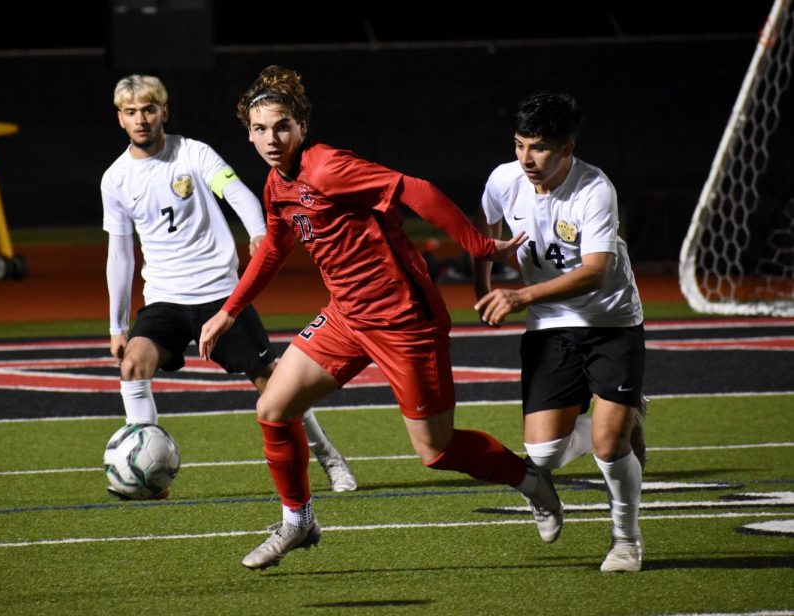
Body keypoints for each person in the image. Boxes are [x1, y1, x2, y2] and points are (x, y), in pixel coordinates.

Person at [199, 65, 563, 570]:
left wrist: (480, 245)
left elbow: (416, 189)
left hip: (404, 321)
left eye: (281, 125)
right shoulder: (276, 184)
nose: (270, 138)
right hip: (346, 318)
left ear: (302, 124)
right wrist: (229, 311)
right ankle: (298, 520)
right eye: (259, 129)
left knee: (436, 452)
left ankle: (531, 481)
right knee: (274, 408)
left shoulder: (327, 167)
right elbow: (274, 251)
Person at [100, 74, 357, 497]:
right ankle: (150, 473)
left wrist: (260, 232)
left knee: (274, 387)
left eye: (149, 110)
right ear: (120, 119)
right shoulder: (115, 179)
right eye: (131, 113)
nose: (141, 120)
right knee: (132, 364)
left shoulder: (194, 154)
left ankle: (328, 456)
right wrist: (117, 326)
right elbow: (121, 254)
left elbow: (236, 192)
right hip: (164, 299)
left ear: (164, 112)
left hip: (220, 296)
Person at [473, 92, 647, 573]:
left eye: (540, 148)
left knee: (611, 449)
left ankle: (626, 540)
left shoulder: (595, 190)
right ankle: (622, 420)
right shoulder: (504, 180)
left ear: (568, 149)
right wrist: (482, 285)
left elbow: (595, 270)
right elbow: (484, 235)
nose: (527, 159)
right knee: (543, 454)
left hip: (610, 321)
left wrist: (519, 296)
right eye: (519, 144)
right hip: (550, 325)